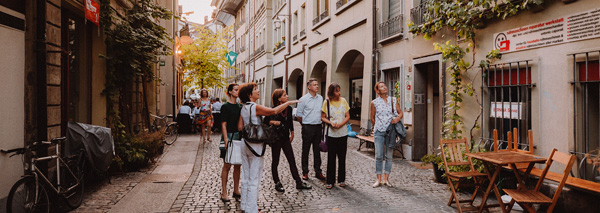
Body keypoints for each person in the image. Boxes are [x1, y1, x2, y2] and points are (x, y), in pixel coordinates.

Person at [237, 83, 300, 213]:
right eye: (255, 89)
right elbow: (274, 111)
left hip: (245, 144)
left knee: (246, 176)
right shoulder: (255, 107)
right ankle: (252, 209)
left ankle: (244, 205)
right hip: (255, 145)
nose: (258, 90)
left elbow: (239, 127)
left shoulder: (243, 108)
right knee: (254, 177)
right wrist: (289, 103)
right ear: (250, 95)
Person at [265, 89, 312, 193]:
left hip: (285, 138)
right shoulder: (273, 109)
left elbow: (290, 122)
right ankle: (277, 182)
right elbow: (266, 121)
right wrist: (274, 122)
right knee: (275, 161)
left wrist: (292, 132)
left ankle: (298, 182)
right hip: (276, 139)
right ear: (279, 98)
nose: (287, 96)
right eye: (284, 95)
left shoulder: (289, 109)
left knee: (292, 160)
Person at [370, 81, 403, 188]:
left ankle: (386, 179)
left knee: (389, 156)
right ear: (377, 91)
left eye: (384, 85)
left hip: (391, 132)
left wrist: (397, 118)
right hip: (379, 131)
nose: (384, 87)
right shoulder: (374, 103)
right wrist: (376, 127)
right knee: (379, 156)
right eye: (381, 87)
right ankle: (378, 179)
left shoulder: (393, 100)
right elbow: (372, 117)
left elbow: (400, 113)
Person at [321, 83, 350, 189]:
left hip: (343, 133)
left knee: (342, 157)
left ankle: (341, 180)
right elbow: (322, 117)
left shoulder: (344, 101)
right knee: (331, 158)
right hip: (331, 134)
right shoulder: (327, 102)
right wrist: (331, 123)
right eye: (337, 91)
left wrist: (341, 124)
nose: (339, 93)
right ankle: (330, 181)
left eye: (339, 90)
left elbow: (347, 116)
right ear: (332, 92)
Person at [295, 78, 326, 180]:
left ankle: (318, 171)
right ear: (309, 87)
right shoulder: (303, 99)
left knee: (317, 150)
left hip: (318, 127)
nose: (317, 86)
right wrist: (304, 124)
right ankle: (305, 172)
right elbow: (299, 115)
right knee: (306, 150)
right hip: (307, 127)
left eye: (317, 84)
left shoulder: (320, 98)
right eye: (314, 85)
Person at [219, 84, 242, 202]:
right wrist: (226, 139)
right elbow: (223, 124)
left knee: (238, 164)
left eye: (239, 90)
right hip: (228, 136)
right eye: (236, 90)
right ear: (230, 92)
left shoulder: (240, 106)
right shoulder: (225, 107)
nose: (238, 92)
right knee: (227, 165)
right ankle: (224, 191)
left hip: (239, 138)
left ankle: (236, 189)